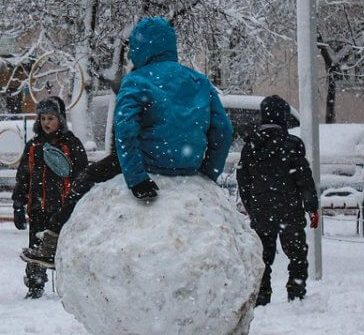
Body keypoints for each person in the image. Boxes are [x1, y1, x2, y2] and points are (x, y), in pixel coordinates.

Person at [21, 16, 234, 268]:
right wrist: (207, 172)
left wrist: (137, 179)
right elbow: (223, 130)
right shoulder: (199, 81)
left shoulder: (137, 81)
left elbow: (126, 132)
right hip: (190, 165)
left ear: (140, 47)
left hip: (149, 160)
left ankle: (52, 242)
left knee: (85, 179)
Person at [235, 94, 319, 305]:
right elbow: (304, 180)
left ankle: (263, 294)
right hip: (289, 208)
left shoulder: (251, 145)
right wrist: (311, 207)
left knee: (263, 256)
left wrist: (251, 205)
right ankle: (296, 291)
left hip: (262, 209)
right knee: (297, 254)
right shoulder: (292, 145)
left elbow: (243, 179)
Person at [12, 95, 88, 298]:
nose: (46, 123)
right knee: (36, 248)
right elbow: (23, 176)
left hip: (63, 208)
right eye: (43, 118)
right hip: (38, 207)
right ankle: (35, 284)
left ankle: (70, 287)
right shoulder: (33, 145)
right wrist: (18, 203)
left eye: (50, 118)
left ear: (60, 120)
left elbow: (83, 174)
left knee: (64, 247)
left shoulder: (71, 144)